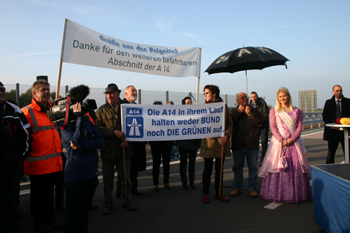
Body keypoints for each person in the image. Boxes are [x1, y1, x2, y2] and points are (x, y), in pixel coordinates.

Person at [21, 79, 64, 232]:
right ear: (34, 93)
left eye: (48, 89)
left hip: (54, 162)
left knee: (49, 194)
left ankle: (49, 219)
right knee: (39, 196)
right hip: (38, 164)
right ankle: (39, 222)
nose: (47, 92)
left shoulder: (53, 110)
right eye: (43, 90)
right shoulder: (26, 112)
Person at [59, 95, 104, 232]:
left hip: (90, 175)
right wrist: (80, 119)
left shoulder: (87, 122)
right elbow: (75, 141)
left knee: (84, 215)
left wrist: (84, 146)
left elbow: (100, 142)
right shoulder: (64, 126)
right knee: (73, 216)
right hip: (75, 177)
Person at [259, 87, 311, 203]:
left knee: (296, 167)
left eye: (284, 96)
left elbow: (299, 127)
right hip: (278, 143)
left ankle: (295, 194)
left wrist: (292, 139)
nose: (282, 98)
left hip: (294, 143)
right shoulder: (274, 110)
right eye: (280, 96)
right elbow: (273, 127)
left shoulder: (297, 111)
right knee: (278, 168)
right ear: (278, 98)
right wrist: (281, 140)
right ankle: (277, 193)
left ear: (289, 96)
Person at [95, 83, 136, 215]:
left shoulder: (127, 108)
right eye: (107, 93)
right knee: (108, 180)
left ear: (118, 94)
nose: (109, 95)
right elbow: (98, 129)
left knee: (126, 179)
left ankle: (127, 201)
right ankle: (108, 204)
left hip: (124, 150)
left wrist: (127, 140)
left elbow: (135, 126)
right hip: (108, 150)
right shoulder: (101, 111)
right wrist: (114, 132)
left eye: (112, 93)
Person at [0, 81, 32, 233]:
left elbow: (26, 135)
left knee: (10, 205)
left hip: (11, 168)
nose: (1, 92)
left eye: (2, 89)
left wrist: (19, 158)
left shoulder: (14, 111)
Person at [200, 85, 233, 204]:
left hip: (222, 144)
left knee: (220, 170)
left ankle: (219, 192)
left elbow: (230, 123)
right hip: (209, 144)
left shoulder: (223, 106)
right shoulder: (203, 107)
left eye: (207, 93)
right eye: (204, 93)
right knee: (207, 170)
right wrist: (217, 136)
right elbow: (204, 125)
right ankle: (205, 193)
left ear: (214, 94)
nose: (205, 95)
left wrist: (226, 135)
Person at [230, 92, 264, 198]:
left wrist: (250, 115)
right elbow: (230, 122)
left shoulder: (254, 111)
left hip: (251, 143)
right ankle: (237, 187)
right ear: (237, 101)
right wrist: (239, 113)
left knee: (253, 167)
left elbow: (260, 122)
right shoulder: (233, 111)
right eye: (242, 98)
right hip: (238, 144)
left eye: (246, 97)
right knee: (237, 167)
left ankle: (252, 188)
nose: (244, 99)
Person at [121, 85, 146, 195]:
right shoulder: (121, 106)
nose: (135, 92)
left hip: (136, 144)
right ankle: (121, 191)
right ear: (126, 93)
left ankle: (134, 188)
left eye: (136, 91)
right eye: (133, 91)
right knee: (125, 169)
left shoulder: (138, 106)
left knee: (135, 168)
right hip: (125, 144)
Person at [176, 97, 201, 190]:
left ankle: (192, 181)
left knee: (192, 163)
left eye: (190, 102)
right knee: (183, 163)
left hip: (194, 143)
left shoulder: (196, 114)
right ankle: (184, 182)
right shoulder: (180, 115)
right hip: (183, 143)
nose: (190, 104)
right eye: (187, 103)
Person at [323, 85, 350, 164]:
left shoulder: (348, 102)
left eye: (340, 90)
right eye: (337, 91)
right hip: (333, 131)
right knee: (331, 153)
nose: (339, 92)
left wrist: (344, 121)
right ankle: (328, 170)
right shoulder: (328, 103)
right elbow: (325, 117)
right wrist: (336, 121)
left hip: (346, 131)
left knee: (348, 152)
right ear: (333, 92)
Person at [149, 101, 173, 192]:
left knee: (166, 164)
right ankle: (155, 183)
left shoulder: (167, 118)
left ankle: (166, 182)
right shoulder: (150, 119)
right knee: (156, 164)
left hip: (166, 144)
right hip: (155, 144)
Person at [249, 91, 270, 167]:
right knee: (255, 143)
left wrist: (259, 121)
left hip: (263, 125)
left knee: (264, 143)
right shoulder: (251, 104)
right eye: (252, 97)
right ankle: (255, 160)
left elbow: (265, 115)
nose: (253, 98)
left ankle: (263, 160)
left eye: (254, 96)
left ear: (257, 96)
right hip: (255, 126)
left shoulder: (262, 103)